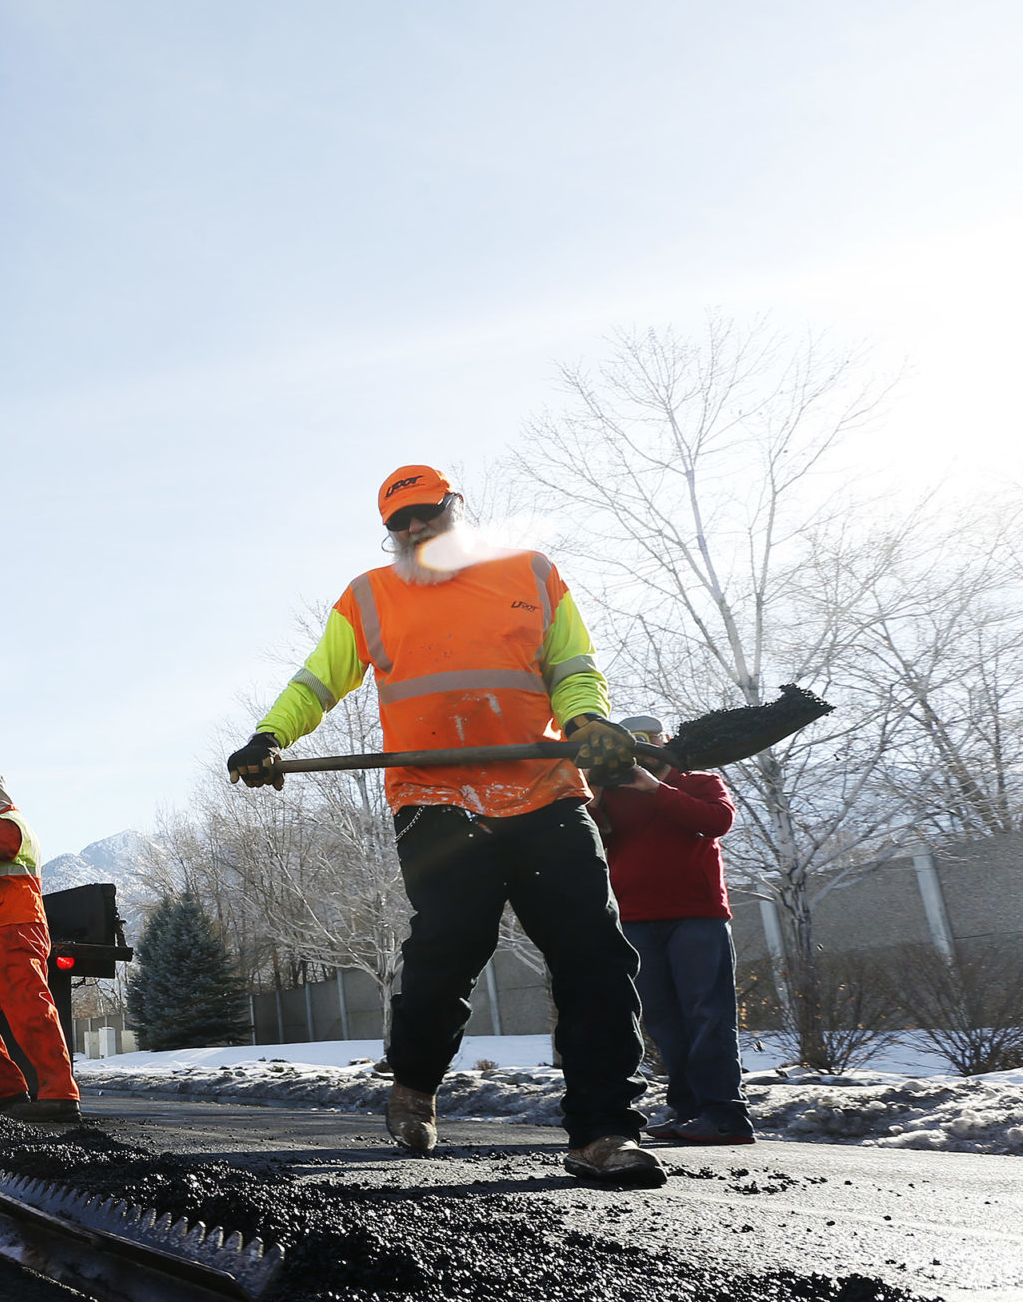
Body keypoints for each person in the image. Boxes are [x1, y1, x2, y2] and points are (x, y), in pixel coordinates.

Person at [227, 465, 662, 1186]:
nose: (413, 529)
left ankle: (604, 1131)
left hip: (545, 789)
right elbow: (318, 680)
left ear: (455, 506)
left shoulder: (531, 572)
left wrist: (586, 721)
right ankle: (415, 1084)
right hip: (434, 800)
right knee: (444, 956)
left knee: (595, 959)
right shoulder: (369, 596)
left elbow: (573, 665)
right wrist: (271, 736)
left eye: (425, 512)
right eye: (398, 522)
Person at [594, 714, 751, 1144]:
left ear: (663, 743)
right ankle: (687, 1112)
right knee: (664, 1020)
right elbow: (591, 838)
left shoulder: (699, 782)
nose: (641, 752)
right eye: (633, 744)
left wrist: (655, 788)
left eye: (649, 743)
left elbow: (716, 822)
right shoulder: (609, 791)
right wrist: (593, 791)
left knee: (708, 1014)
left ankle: (724, 1115)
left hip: (697, 915)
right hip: (637, 919)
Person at [0, 774, 81, 1122]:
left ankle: (60, 1094)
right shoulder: (5, 830)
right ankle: (6, 1090)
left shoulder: (5, 824)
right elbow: (7, 878)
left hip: (17, 930)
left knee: (31, 1010)